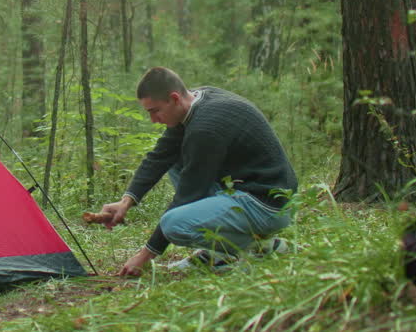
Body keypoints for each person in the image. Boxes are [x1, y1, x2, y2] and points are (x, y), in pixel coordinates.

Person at [100, 67, 298, 276]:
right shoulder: (197, 101)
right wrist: (126, 201)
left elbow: (188, 195)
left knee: (173, 224)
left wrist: (145, 255)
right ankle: (221, 253)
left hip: (269, 204)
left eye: (155, 111)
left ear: (174, 98)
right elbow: (160, 156)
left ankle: (263, 249)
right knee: (176, 161)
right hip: (249, 188)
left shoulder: (205, 128)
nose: (153, 120)